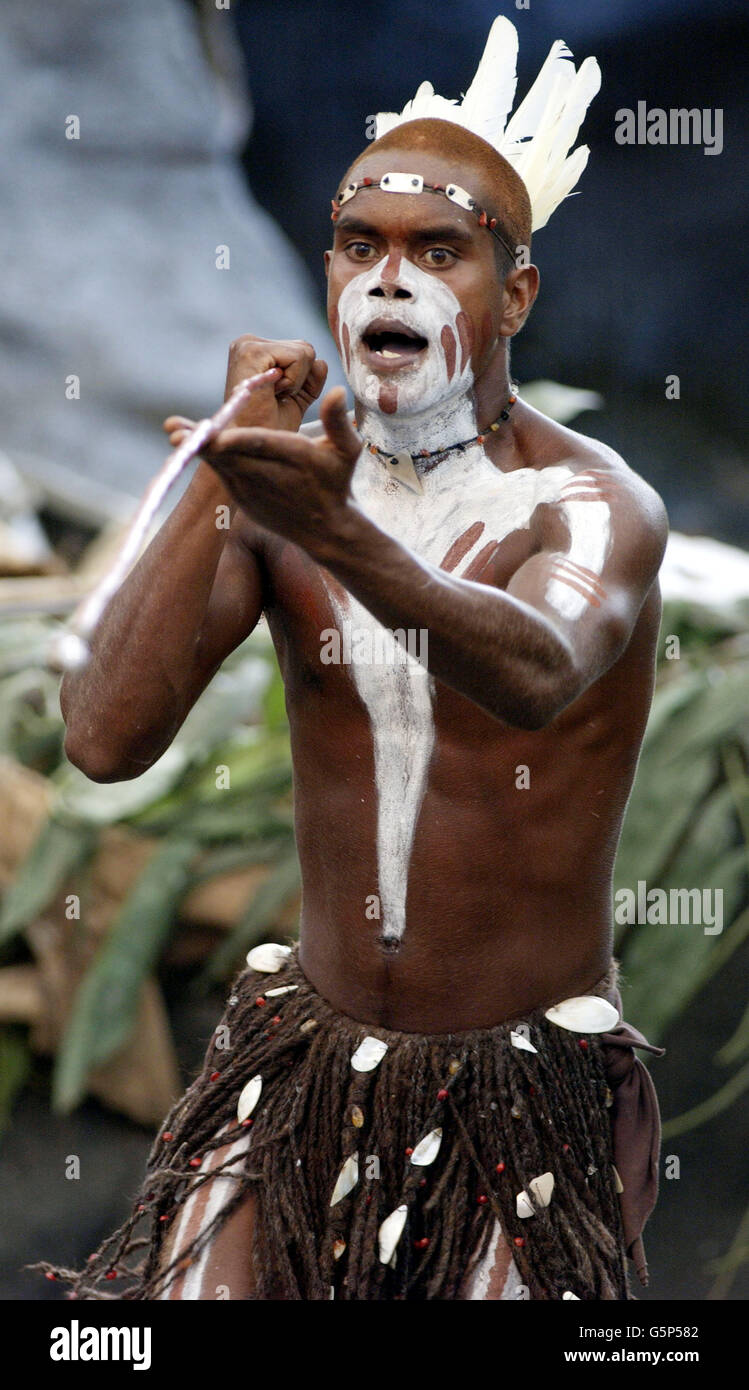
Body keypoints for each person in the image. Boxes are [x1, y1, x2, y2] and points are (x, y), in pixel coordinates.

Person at [51, 18, 667, 1300]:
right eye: (358, 246)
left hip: (521, 1086)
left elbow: (539, 666)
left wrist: (336, 531)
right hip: (304, 1058)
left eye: (436, 251)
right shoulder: (281, 487)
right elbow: (105, 741)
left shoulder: (592, 508)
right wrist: (222, 475)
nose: (388, 282)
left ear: (516, 294)